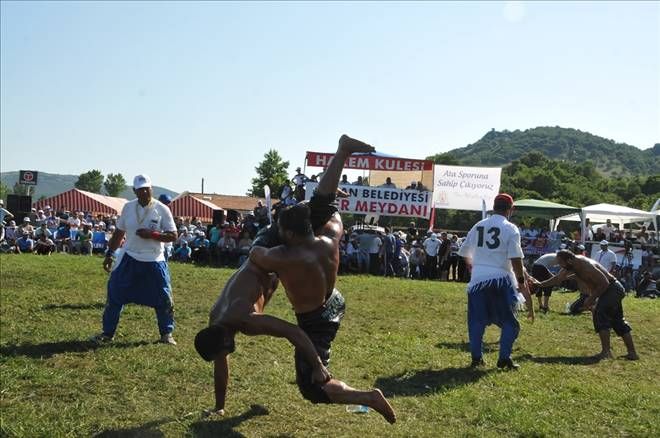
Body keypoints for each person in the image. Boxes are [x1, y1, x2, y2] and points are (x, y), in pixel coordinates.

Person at [249, 135, 396, 424]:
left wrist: (269, 230)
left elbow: (256, 252)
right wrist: (318, 202)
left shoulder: (283, 256)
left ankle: (369, 397)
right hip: (334, 301)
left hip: (316, 320)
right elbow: (329, 207)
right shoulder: (331, 234)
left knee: (314, 387)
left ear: (288, 235)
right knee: (323, 203)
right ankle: (342, 152)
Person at [90, 174, 178, 345]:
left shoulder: (162, 209)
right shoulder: (128, 208)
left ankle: (166, 334)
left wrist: (152, 234)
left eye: (147, 188)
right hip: (129, 257)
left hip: (154, 260)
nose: (144, 192)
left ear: (152, 188)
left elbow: (173, 235)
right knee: (114, 294)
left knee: (164, 297)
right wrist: (109, 253)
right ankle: (107, 333)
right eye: (140, 190)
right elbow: (119, 233)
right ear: (134, 191)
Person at [458, 193, 534, 370]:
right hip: (500, 279)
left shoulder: (479, 225)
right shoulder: (511, 228)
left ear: (493, 206)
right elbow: (516, 259)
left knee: (476, 322)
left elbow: (464, 253)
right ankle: (504, 358)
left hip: (478, 281)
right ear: (511, 209)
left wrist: (474, 268)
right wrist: (521, 281)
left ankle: (477, 359)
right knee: (511, 324)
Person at [530, 250, 639, 361]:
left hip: (612, 289)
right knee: (617, 320)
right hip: (609, 290)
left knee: (599, 314)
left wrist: (591, 298)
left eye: (560, 263)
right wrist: (541, 284)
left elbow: (605, 283)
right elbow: (558, 278)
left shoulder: (586, 266)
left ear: (569, 260)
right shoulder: (571, 265)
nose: (559, 265)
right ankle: (632, 353)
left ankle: (606, 352)